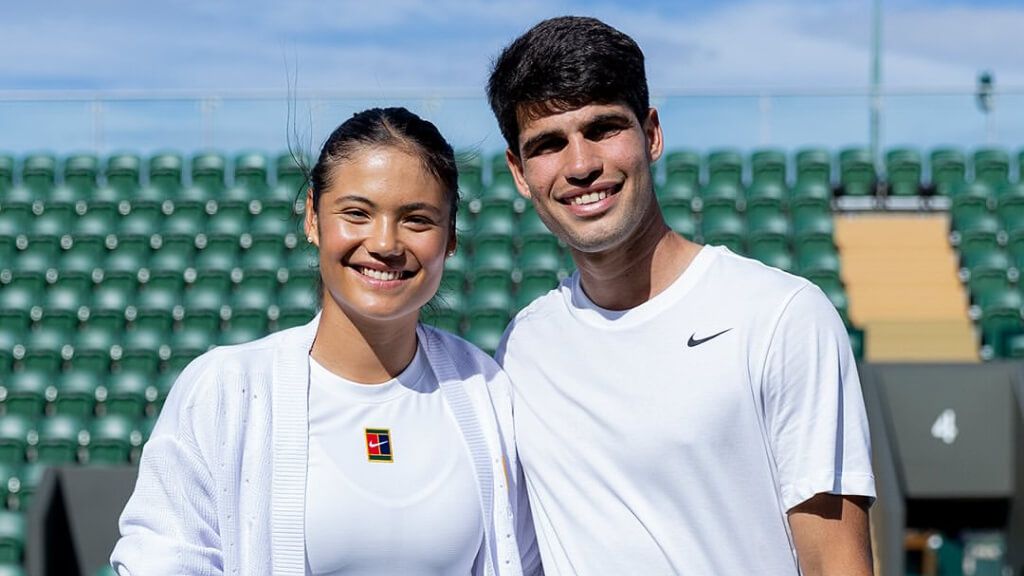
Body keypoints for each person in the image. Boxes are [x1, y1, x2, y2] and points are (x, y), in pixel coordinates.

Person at [487, 16, 876, 576]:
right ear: (519, 173)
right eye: (548, 144)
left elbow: (837, 563)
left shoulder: (780, 316)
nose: (580, 165)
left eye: (602, 128)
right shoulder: (522, 345)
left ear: (651, 134)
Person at [111, 107, 541, 576]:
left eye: (417, 220)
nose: (385, 243)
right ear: (313, 219)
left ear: (451, 237)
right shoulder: (225, 390)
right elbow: (164, 559)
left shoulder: (488, 392)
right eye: (357, 213)